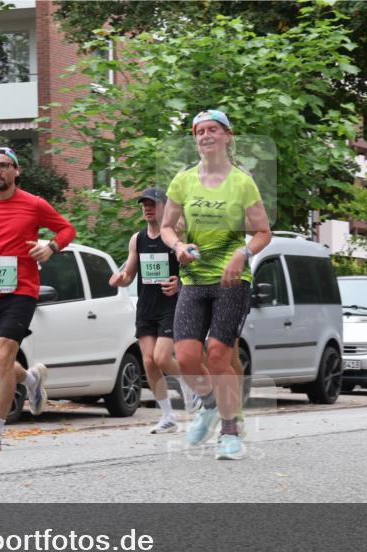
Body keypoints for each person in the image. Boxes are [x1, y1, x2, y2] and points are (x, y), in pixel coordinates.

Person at [160, 110, 271, 460]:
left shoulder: (242, 182)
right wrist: (178, 246)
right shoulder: (183, 180)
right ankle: (209, 403)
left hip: (231, 280)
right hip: (193, 279)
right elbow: (167, 227)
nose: (206, 135)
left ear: (227, 136)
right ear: (195, 138)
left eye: (213, 130)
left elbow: (263, 233)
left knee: (219, 355)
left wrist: (242, 253)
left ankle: (230, 431)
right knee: (187, 357)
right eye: (199, 131)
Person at [0, 146, 76, 452]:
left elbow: (66, 228)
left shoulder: (33, 204)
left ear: (16, 171)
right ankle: (32, 380)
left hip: (21, 291)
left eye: (4, 166)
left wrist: (50, 247)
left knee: (6, 355)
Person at [109, 188, 202, 434]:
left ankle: (188, 381)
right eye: (144, 205)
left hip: (171, 306)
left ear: (164, 207)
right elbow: (129, 275)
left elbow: (196, 268)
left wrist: (179, 284)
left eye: (152, 204)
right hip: (146, 308)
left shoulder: (176, 235)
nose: (147, 208)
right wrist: (120, 278)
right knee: (149, 362)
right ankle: (168, 416)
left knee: (162, 358)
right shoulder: (137, 239)